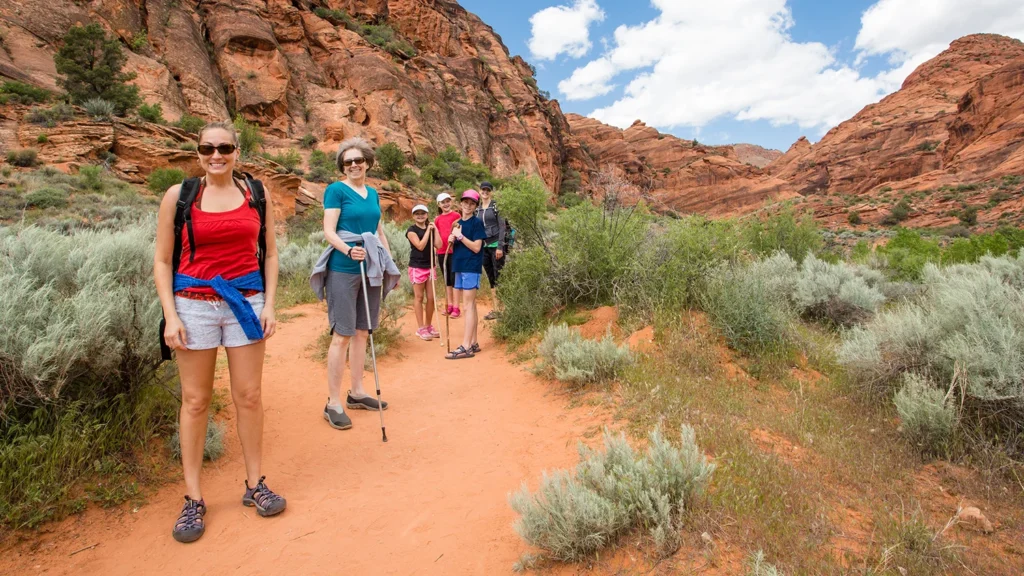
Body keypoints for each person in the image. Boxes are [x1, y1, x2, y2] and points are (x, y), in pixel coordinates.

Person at [154, 121, 285, 544]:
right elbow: (161, 261)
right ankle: (193, 498)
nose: (216, 155)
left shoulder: (257, 195)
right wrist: (171, 316)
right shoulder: (180, 196)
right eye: (208, 148)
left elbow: (271, 253)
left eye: (224, 147)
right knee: (195, 401)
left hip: (245, 304)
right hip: (194, 305)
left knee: (249, 396)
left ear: (237, 151)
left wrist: (269, 303)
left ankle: (254, 485)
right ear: (197, 153)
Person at [321, 137, 393, 431]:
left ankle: (357, 393)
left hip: (371, 270)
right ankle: (333, 403)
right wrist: (348, 250)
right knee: (343, 334)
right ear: (342, 165)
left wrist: (388, 263)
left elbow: (377, 230)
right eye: (347, 161)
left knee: (364, 331)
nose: (353, 165)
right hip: (343, 268)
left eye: (358, 160)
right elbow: (329, 230)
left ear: (367, 163)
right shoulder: (336, 190)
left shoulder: (373, 193)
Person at [445, 190, 486, 359]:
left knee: (468, 306)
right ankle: (473, 342)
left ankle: (466, 346)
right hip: (459, 265)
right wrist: (452, 239)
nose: (468, 206)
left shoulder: (476, 223)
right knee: (472, 305)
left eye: (472, 203)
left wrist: (460, 237)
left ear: (475, 206)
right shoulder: (457, 223)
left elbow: (477, 247)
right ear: (460, 203)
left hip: (471, 266)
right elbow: (456, 243)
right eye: (465, 202)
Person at [406, 204, 439, 340]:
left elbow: (440, 245)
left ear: (426, 214)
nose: (420, 215)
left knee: (431, 298)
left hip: (430, 266)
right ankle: (421, 328)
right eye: (417, 213)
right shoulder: (411, 230)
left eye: (423, 213)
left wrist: (435, 229)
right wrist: (427, 232)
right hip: (417, 266)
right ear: (413, 216)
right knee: (419, 297)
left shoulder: (431, 229)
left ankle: (428, 325)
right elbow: (420, 246)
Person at [475, 180, 506, 320]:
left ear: (491, 192)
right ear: (480, 191)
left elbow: (502, 227)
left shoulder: (496, 206)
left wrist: (500, 246)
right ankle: (496, 309)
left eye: (488, 190)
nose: (485, 192)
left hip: (495, 246)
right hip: (484, 247)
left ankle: (502, 309)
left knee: (499, 276)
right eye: (483, 190)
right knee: (491, 278)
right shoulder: (478, 209)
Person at [432, 192, 462, 318]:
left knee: (454, 279)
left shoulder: (457, 216)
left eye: (448, 201)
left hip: (454, 251)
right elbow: (436, 236)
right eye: (443, 202)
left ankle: (456, 307)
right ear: (439, 204)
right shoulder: (437, 219)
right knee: (447, 280)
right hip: (441, 252)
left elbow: (460, 230)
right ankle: (449, 305)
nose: (446, 204)